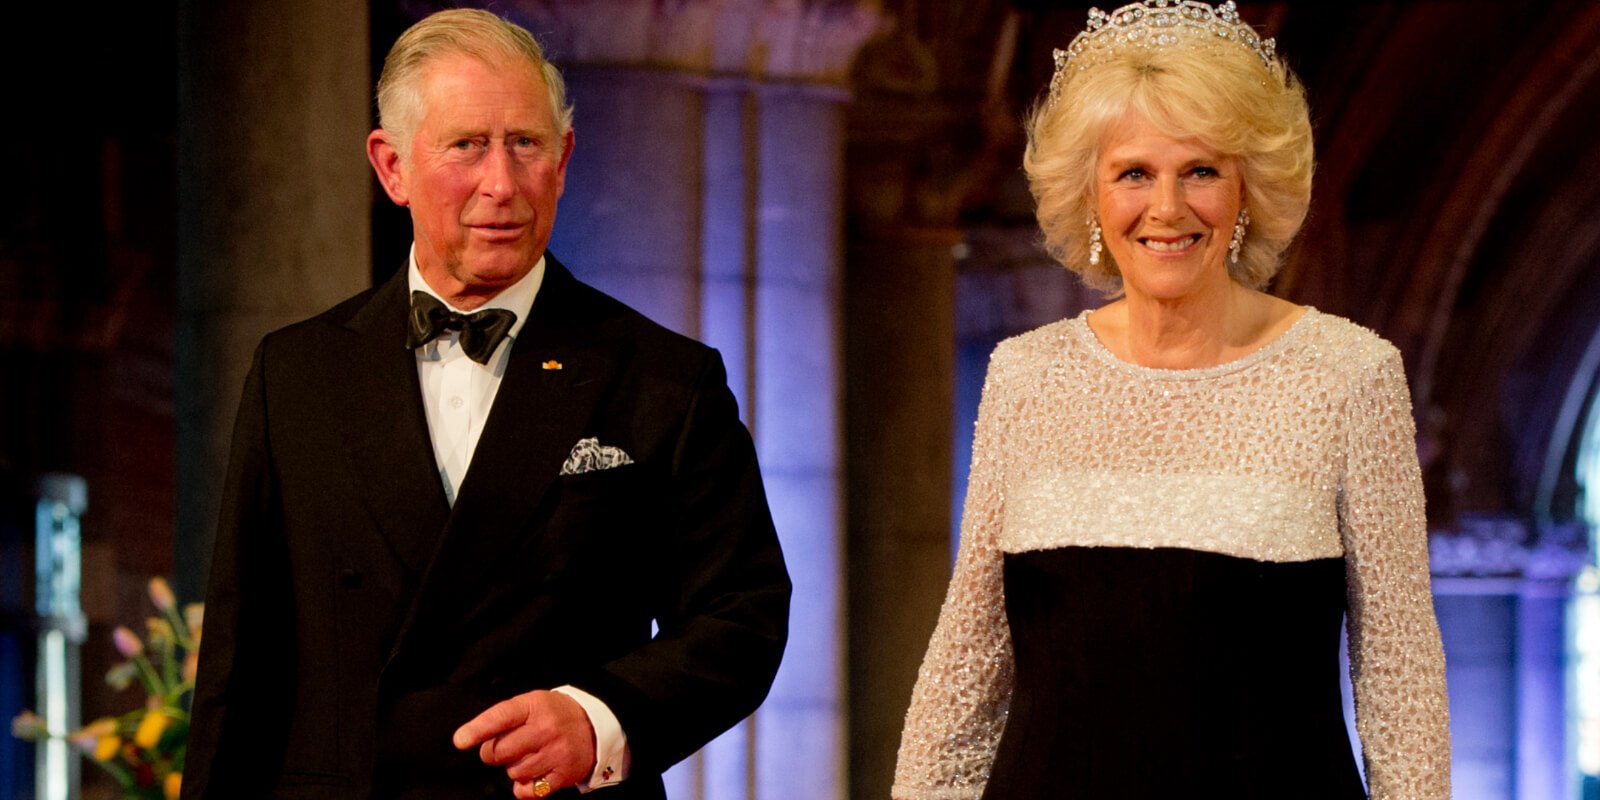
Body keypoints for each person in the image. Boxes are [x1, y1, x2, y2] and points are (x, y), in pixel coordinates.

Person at [181, 9, 790, 800]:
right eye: (466, 145)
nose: (500, 183)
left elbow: (741, 618)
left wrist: (601, 718)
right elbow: (242, 664)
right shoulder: (295, 373)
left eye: (525, 145)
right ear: (391, 165)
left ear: (564, 160)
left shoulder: (665, 378)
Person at [892, 2, 1450, 798]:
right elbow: (967, 663)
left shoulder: (1350, 376)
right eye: (1133, 173)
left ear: (1249, 187)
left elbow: (1399, 675)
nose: (1166, 208)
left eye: (1200, 171)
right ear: (1090, 196)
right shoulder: (1026, 375)